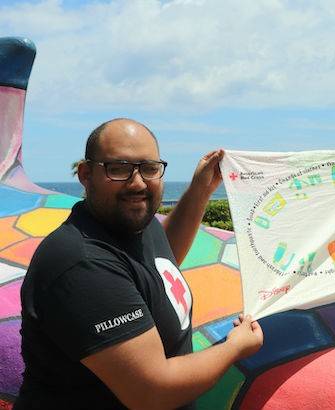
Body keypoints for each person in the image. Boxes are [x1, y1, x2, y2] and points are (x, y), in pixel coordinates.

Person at [17, 118, 263, 409]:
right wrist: (234, 348)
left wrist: (201, 190)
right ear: (85, 174)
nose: (137, 183)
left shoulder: (132, 223)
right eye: (118, 169)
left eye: (148, 169)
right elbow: (151, 392)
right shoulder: (83, 264)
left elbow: (161, 258)